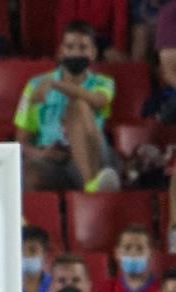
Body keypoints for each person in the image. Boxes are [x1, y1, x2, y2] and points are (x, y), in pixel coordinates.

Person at [14, 20, 120, 192]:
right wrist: (42, 154)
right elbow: (22, 142)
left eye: (83, 47)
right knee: (31, 175)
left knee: (77, 106)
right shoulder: (35, 85)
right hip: (52, 160)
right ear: (61, 52)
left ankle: (91, 185)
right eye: (70, 47)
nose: (76, 53)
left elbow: (99, 100)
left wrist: (56, 85)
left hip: (93, 154)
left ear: (93, 53)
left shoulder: (103, 82)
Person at [101, 225, 161, 292]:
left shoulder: (161, 289)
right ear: (117, 253)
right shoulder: (106, 289)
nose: (133, 253)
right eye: (127, 248)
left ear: (150, 253)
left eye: (140, 248)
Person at [22, 225, 54, 292]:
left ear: (45, 254)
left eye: (32, 250)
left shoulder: (56, 289)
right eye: (20, 250)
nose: (25, 255)